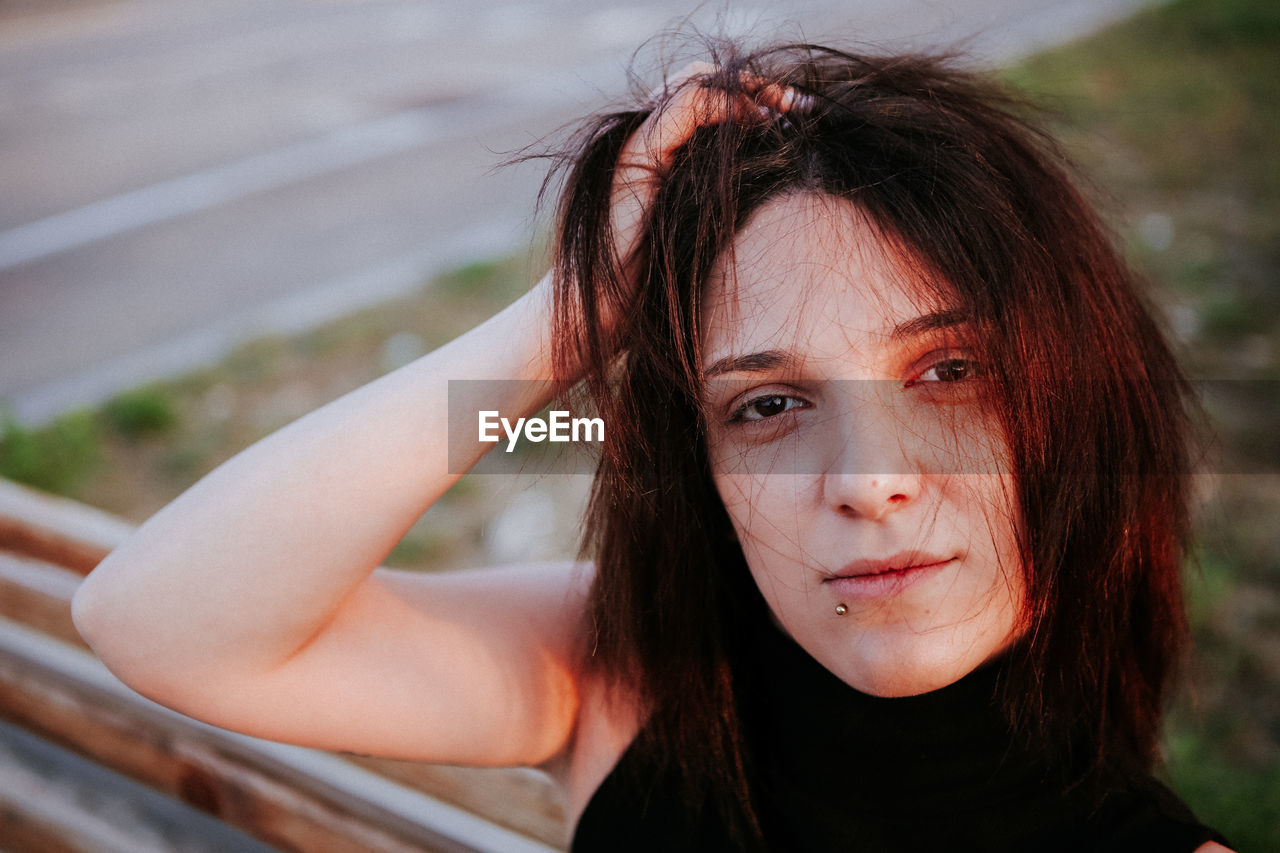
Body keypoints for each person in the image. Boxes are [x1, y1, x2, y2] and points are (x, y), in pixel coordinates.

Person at [72, 40, 1231, 851]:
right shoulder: (631, 676)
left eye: (948, 370)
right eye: (765, 404)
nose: (870, 483)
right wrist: (568, 320)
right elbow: (158, 620)